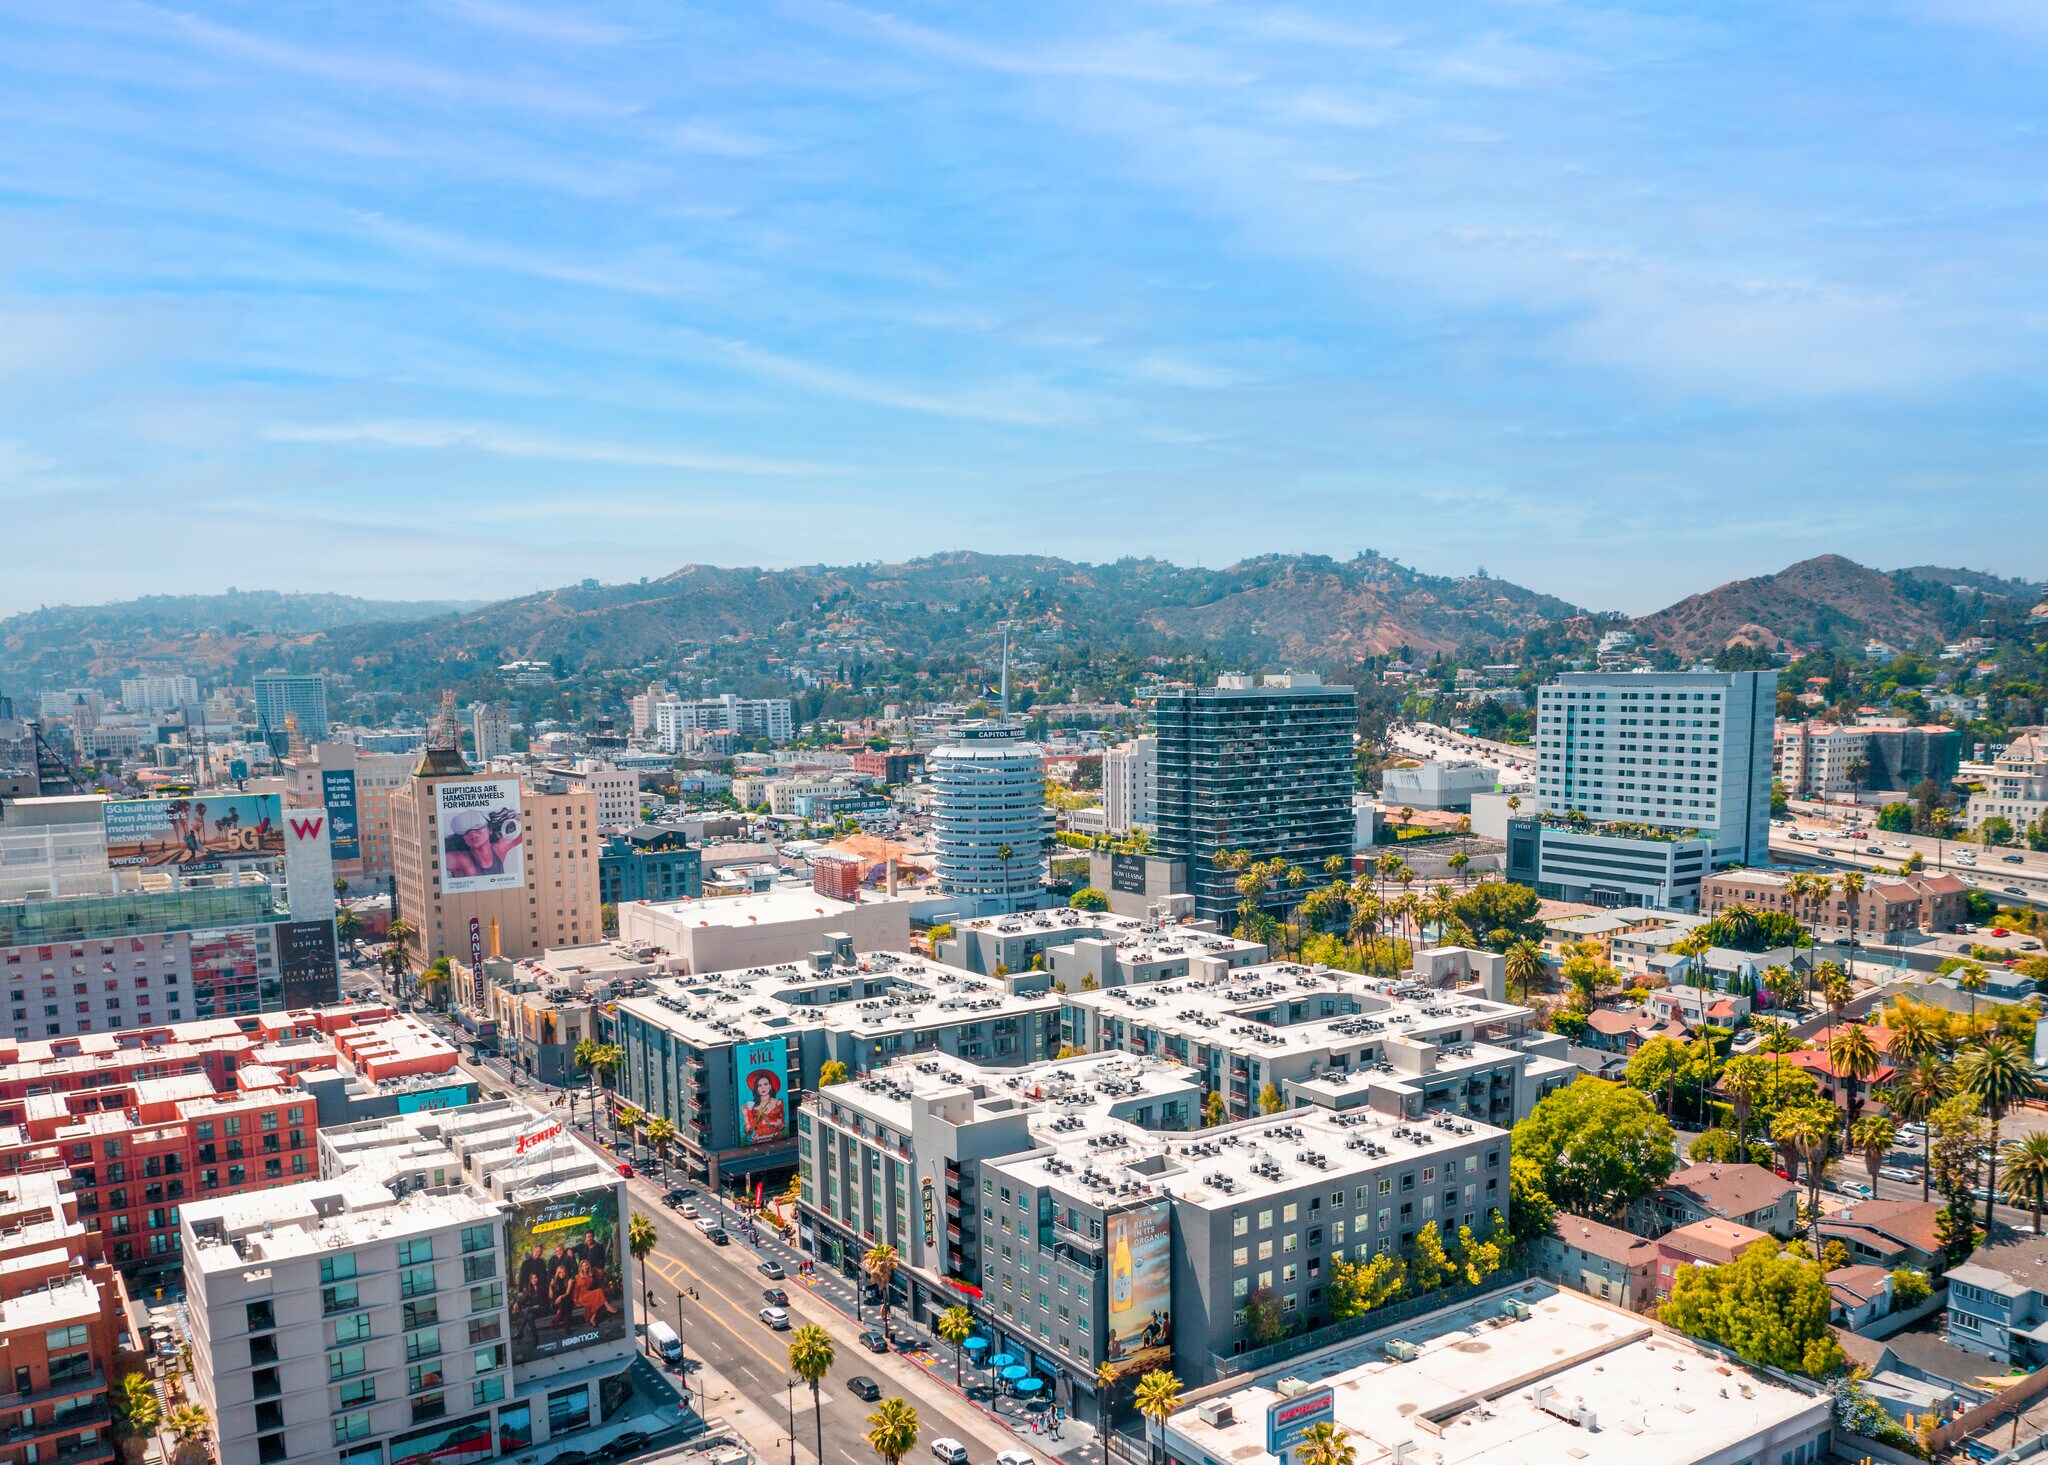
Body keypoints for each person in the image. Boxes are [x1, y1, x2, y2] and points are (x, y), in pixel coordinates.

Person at [444, 806, 522, 881]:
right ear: (464, 839)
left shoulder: (499, 850)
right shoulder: (461, 859)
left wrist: (519, 817)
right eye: (466, 831)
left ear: (489, 830)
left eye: (477, 826)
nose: (472, 832)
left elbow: (527, 832)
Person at [741, 1067, 786, 1144]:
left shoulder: (778, 1103)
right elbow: (748, 1131)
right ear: (756, 1089)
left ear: (770, 1086)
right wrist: (745, 1116)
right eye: (759, 1085)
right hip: (758, 1142)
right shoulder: (751, 1107)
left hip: (777, 1140)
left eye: (765, 1084)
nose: (763, 1088)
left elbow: (783, 1126)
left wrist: (778, 1124)